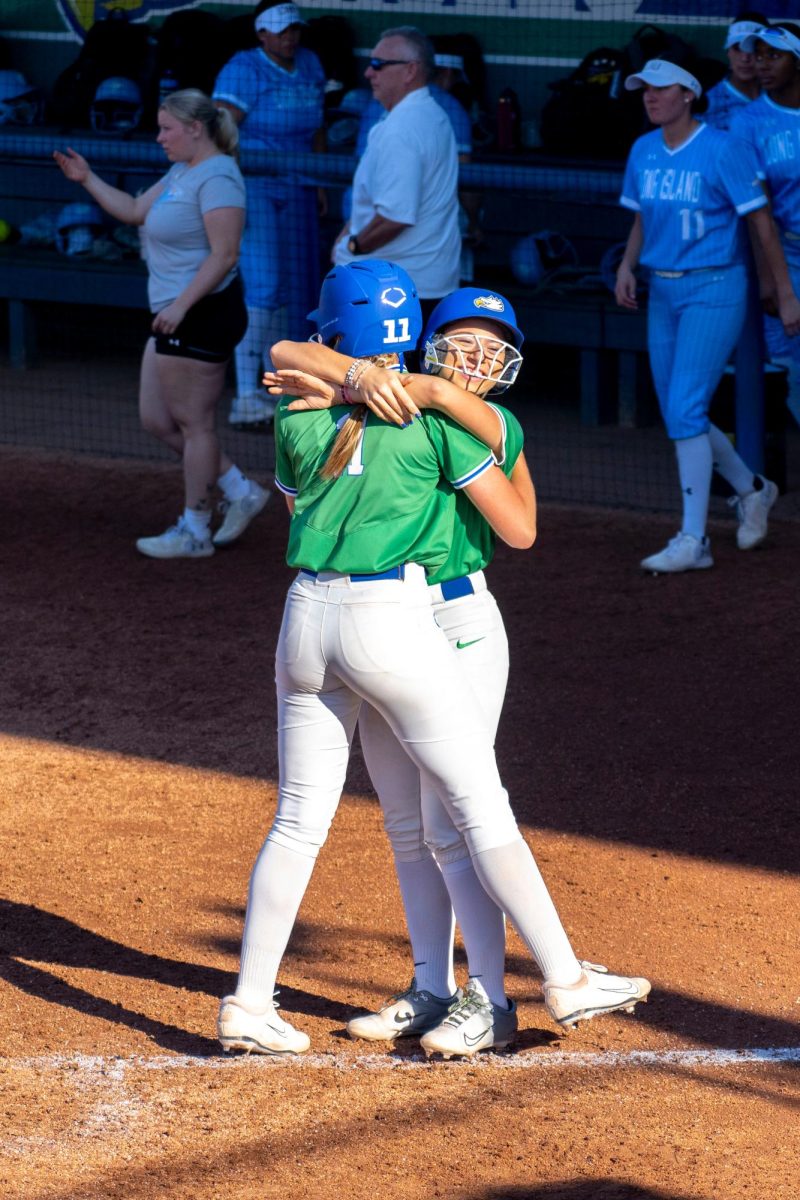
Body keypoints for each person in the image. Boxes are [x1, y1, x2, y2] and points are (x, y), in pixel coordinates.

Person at [217, 259, 650, 1057]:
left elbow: (284, 362)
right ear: (420, 341)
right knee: (460, 814)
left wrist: (362, 385)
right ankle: (541, 979)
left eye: (492, 350)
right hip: (397, 619)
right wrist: (402, 394)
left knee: (322, 817)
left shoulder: (299, 408)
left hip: (317, 615)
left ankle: (261, 998)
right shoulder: (436, 425)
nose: (475, 361)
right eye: (459, 345)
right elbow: (513, 521)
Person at [53, 89, 270, 559]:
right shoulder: (182, 171)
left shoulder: (219, 178)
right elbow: (133, 212)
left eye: (166, 128)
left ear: (195, 128)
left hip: (199, 313)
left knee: (195, 424)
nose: (159, 137)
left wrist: (181, 307)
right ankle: (240, 488)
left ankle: (195, 529)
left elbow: (225, 254)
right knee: (156, 419)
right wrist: (87, 178)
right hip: (174, 313)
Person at [615, 58, 799, 573]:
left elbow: (762, 227)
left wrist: (783, 293)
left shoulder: (724, 148)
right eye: (644, 90)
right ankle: (752, 490)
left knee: (686, 408)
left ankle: (694, 540)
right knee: (682, 411)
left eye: (661, 89)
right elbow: (642, 218)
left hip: (715, 287)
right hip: (663, 290)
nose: (650, 97)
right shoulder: (643, 149)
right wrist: (627, 265)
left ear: (689, 94)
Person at [213, 0, 327, 429]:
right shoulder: (243, 67)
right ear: (261, 34)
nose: (290, 37)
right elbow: (221, 130)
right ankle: (245, 396)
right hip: (255, 184)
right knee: (264, 287)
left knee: (294, 290)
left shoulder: (311, 63)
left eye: (295, 28)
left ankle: (276, 388)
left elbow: (319, 126)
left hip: (299, 183)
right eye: (280, 30)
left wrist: (318, 182)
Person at [332, 27, 461, 321]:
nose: (368, 73)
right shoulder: (432, 114)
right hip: (421, 285)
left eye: (378, 64)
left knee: (378, 369)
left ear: (410, 71)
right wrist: (348, 235)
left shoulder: (402, 129)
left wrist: (353, 246)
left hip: (394, 292)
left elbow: (396, 216)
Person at [732, 23, 800, 428]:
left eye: (775, 55)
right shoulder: (750, 122)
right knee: (792, 371)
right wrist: (775, 282)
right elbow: (758, 213)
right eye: (758, 55)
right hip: (788, 254)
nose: (762, 64)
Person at [703, 13, 766, 130]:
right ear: (728, 52)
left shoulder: (779, 96)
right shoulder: (707, 102)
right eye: (737, 48)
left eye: (752, 49)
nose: (745, 58)